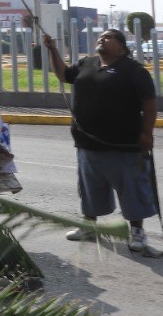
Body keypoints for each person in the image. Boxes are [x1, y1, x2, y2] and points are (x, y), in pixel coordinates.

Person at [43, 29, 161, 256]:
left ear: (122, 48)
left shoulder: (133, 70)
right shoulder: (87, 64)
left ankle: (137, 233)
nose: (102, 39)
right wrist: (53, 50)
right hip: (88, 143)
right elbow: (63, 75)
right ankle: (89, 227)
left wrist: (147, 133)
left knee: (132, 190)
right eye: (101, 37)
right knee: (89, 189)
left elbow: (148, 102)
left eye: (109, 37)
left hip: (124, 145)